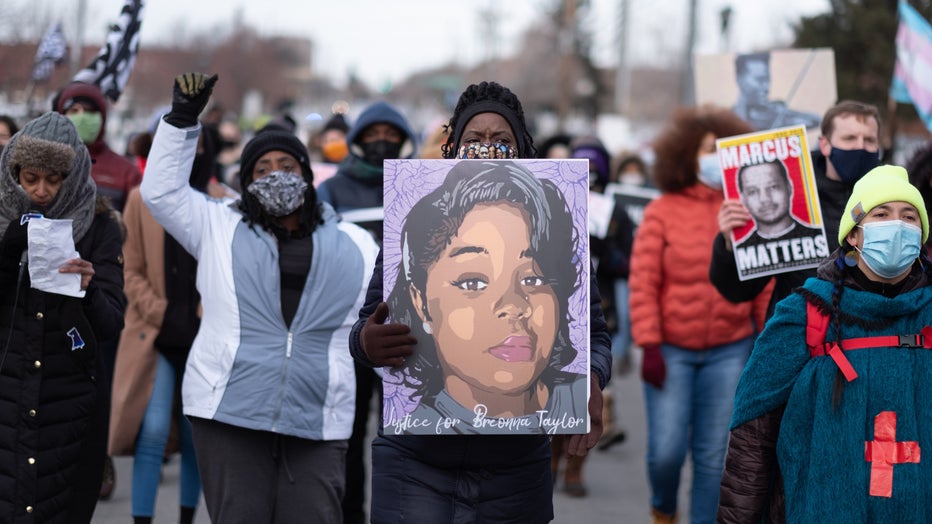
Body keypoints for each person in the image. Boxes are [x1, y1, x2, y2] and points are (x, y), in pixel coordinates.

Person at [350, 80, 612, 523]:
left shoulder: (555, 231)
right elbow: (364, 327)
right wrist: (366, 344)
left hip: (517, 468)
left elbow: (595, 334)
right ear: (452, 147)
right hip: (416, 462)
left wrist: (592, 376)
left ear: (522, 149)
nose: (487, 148)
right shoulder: (415, 228)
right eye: (474, 139)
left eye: (501, 140)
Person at [141, 73, 379, 524]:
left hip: (317, 417)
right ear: (246, 181)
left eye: (287, 167)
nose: (276, 176)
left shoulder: (356, 244)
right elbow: (161, 193)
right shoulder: (216, 225)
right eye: (262, 169)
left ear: (307, 177)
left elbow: (384, 311)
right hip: (230, 413)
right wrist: (181, 120)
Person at [718, 165, 932, 522]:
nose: (898, 226)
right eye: (882, 214)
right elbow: (753, 436)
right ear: (854, 234)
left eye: (910, 217)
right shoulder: (804, 313)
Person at [629, 105, 773, 524]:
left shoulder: (747, 208)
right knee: (667, 453)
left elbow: (761, 281)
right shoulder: (661, 211)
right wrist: (650, 344)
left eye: (721, 150)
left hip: (730, 349)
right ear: (687, 154)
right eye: (707, 150)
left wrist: (764, 340)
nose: (713, 158)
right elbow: (642, 282)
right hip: (671, 349)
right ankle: (663, 509)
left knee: (713, 458)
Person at [385, 159, 588, 429]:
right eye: (473, 283)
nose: (513, 304)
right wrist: (362, 345)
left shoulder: (581, 401)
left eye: (533, 278)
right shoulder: (413, 434)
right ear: (420, 301)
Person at [0, 111, 127, 522]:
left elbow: (110, 325)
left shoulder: (101, 226)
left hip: (67, 403)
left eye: (54, 179)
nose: (41, 191)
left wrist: (87, 289)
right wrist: (7, 250)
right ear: (13, 171)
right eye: (31, 177)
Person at [108, 121, 222, 524]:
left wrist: (207, 310)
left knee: (195, 436)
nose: (189, 153)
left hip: (204, 338)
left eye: (198, 144)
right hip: (155, 335)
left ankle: (187, 518)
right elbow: (129, 269)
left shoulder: (220, 200)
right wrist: (161, 310)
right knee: (152, 430)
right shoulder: (140, 200)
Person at [315, 98, 416, 524]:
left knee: (404, 439)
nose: (380, 143)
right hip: (348, 332)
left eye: (390, 137)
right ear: (357, 141)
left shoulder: (418, 185)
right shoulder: (334, 189)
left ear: (404, 141)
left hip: (411, 335)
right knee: (349, 437)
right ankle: (350, 515)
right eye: (372, 136)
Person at [711, 100, 882, 318]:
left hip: (869, 335)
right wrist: (729, 246)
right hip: (799, 337)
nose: (860, 147)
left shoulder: (896, 201)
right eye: (849, 138)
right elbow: (738, 291)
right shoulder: (793, 204)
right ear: (825, 145)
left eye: (869, 140)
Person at [55, 80, 143, 499]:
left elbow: (139, 230)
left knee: (101, 376)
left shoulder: (123, 170)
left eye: (88, 111)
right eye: (71, 111)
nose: (81, 120)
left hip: (105, 284)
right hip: (52, 290)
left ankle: (100, 452)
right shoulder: (47, 166)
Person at [55, 81, 142, 213]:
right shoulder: (47, 162)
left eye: (89, 111)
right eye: (74, 110)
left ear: (102, 117)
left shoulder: (126, 171)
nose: (82, 117)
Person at [733, 160, 824, 247]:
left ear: (789, 188)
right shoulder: (735, 252)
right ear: (743, 199)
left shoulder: (823, 239)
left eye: (773, 187)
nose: (764, 199)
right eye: (752, 191)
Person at [731, 51, 822, 132]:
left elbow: (816, 120)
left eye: (767, 79)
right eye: (759, 80)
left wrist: (784, 113)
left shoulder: (777, 114)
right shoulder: (728, 118)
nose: (765, 86)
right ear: (740, 79)